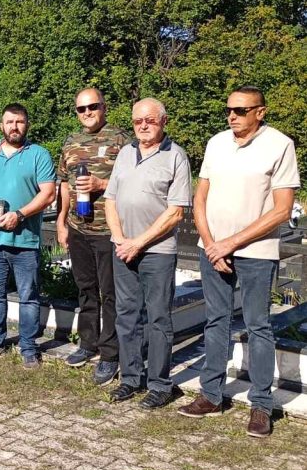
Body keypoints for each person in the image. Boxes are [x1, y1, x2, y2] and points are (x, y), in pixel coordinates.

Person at [178, 87, 300, 438]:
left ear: (260, 112)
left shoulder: (280, 145)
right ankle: (211, 395)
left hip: (256, 253)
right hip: (212, 248)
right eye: (229, 109)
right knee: (215, 320)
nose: (232, 115)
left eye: (241, 110)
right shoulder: (217, 143)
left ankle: (261, 404)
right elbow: (200, 197)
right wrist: (211, 244)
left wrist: (230, 243)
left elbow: (281, 210)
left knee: (258, 325)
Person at [104, 99, 192, 409]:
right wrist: (119, 238)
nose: (143, 125)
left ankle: (159, 384)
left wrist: (138, 243)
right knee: (127, 315)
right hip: (122, 248)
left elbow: (176, 212)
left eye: (150, 120)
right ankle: (130, 378)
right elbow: (110, 200)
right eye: (138, 120)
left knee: (158, 318)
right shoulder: (125, 153)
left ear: (163, 122)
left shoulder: (176, 156)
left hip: (157, 251)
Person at [0, 104, 56, 369]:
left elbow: (48, 194)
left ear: (27, 124)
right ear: (2, 125)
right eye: (9, 122)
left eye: (19, 121)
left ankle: (28, 347)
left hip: (25, 241)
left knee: (28, 296)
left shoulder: (38, 154)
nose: (14, 127)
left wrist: (19, 215)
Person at [56, 88, 130, 385]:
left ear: (104, 107)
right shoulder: (71, 142)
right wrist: (61, 221)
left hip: (108, 231)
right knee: (85, 288)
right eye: (81, 108)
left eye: (92, 106)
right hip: (78, 228)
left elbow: (133, 181)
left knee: (110, 294)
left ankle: (110, 354)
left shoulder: (121, 140)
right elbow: (64, 184)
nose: (87, 112)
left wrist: (102, 184)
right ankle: (88, 343)